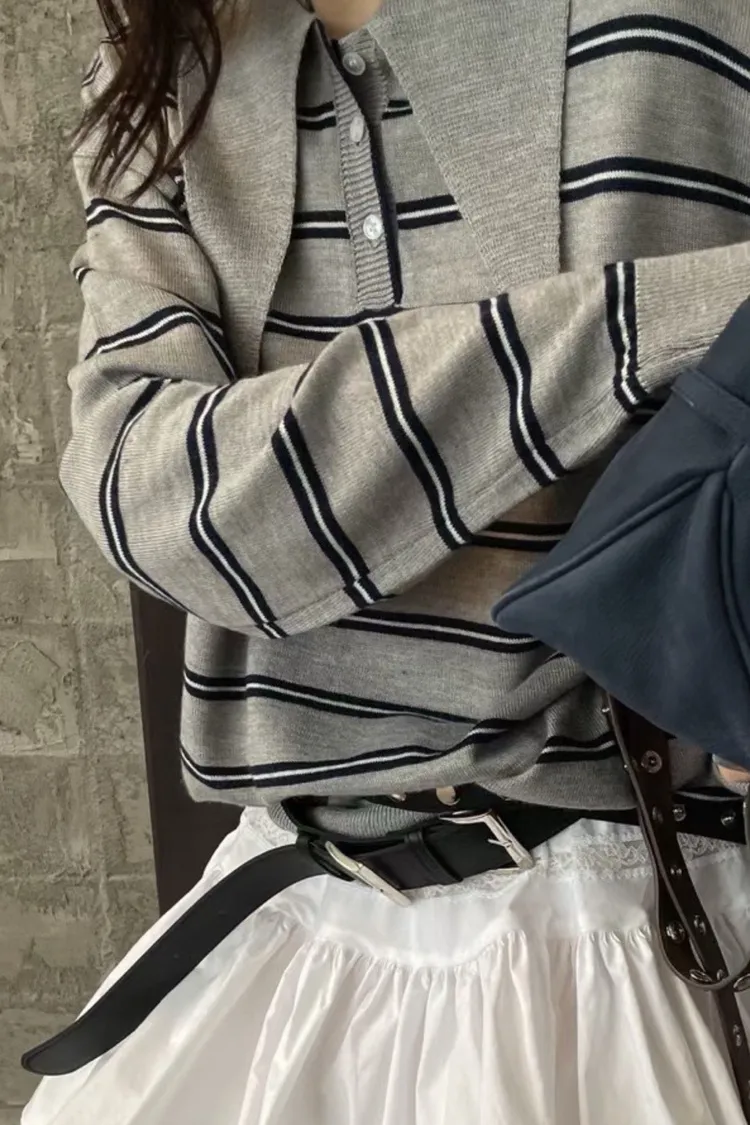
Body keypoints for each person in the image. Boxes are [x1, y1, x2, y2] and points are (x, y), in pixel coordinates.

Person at [20, 0, 750, 1121]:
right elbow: (161, 502)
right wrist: (670, 317)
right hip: (284, 930)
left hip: (652, 927)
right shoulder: (168, 57)